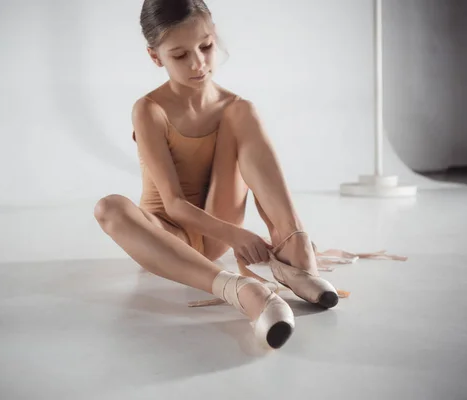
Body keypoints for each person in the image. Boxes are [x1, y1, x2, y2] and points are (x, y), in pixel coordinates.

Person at [94, 0, 338, 350]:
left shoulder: (235, 109)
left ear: (214, 36)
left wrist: (248, 234)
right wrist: (238, 236)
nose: (198, 63)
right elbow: (174, 204)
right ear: (155, 57)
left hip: (218, 225)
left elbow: (250, 171)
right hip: (170, 239)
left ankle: (293, 250)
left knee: (241, 111)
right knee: (109, 208)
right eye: (179, 55)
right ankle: (239, 289)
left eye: (206, 47)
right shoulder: (149, 110)